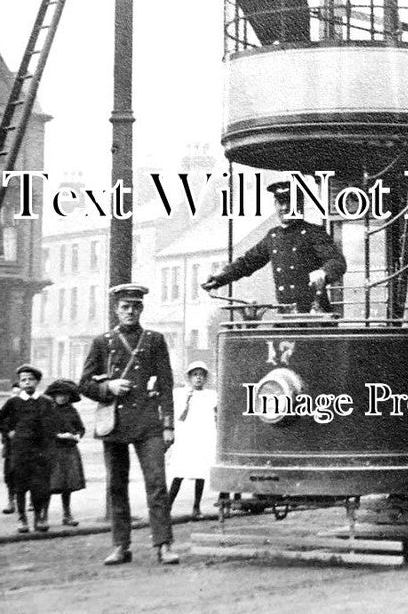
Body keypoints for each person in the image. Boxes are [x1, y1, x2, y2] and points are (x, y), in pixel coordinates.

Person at [79, 284, 179, 566]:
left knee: (157, 484)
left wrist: (169, 425)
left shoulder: (155, 340)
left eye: (135, 307)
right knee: (116, 486)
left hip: (148, 423)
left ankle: (163, 545)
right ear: (116, 310)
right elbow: (84, 384)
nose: (130, 312)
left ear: (142, 309)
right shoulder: (102, 342)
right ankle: (120, 546)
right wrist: (108, 386)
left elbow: (166, 384)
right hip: (115, 423)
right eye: (125, 307)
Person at [202, 180, 347, 313]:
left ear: (299, 205)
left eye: (289, 203)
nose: (284, 208)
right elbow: (247, 262)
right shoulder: (273, 236)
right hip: (284, 314)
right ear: (275, 205)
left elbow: (337, 262)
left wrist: (323, 273)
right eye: (280, 203)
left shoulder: (314, 233)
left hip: (315, 314)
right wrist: (220, 278)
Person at [0, 365, 55, 533]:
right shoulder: (13, 402)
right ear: (19, 383)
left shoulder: (46, 402)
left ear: (37, 382)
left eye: (30, 379)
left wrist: (49, 445)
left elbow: (52, 424)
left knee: (39, 486)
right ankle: (22, 518)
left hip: (40, 451)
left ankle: (39, 518)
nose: (27, 383)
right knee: (20, 485)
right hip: (20, 450)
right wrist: (8, 433)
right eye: (23, 380)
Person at [168, 361, 216, 521]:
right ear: (189, 377)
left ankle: (196, 507)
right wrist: (187, 399)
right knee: (179, 473)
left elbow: (216, 414)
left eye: (201, 375)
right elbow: (178, 415)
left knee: (200, 474)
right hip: (186, 438)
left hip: (202, 437)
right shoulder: (180, 393)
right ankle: (167, 507)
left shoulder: (211, 395)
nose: (198, 378)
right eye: (195, 375)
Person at [45, 378, 86, 526]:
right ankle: (43, 516)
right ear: (54, 396)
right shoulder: (48, 410)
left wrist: (77, 435)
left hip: (69, 450)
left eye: (66, 395)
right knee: (50, 484)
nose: (63, 397)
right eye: (60, 395)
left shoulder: (72, 411)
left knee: (67, 485)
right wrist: (58, 435)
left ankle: (67, 514)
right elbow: (44, 430)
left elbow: (81, 428)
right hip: (53, 451)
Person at [0, 381, 20, 514]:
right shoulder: (7, 409)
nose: (15, 396)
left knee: (28, 473)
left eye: (18, 394)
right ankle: (11, 500)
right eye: (13, 393)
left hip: (27, 447)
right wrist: (7, 432)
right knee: (10, 474)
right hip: (10, 447)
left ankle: (29, 501)